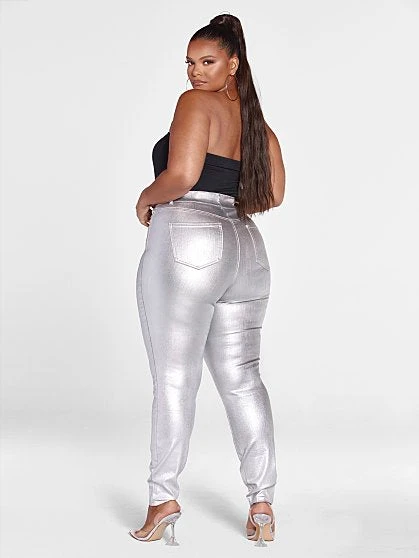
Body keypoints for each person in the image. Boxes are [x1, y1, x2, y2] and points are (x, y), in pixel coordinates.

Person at [129, 13, 285, 546]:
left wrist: (144, 200)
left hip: (189, 240)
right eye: (191, 63)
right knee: (243, 378)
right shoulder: (258, 125)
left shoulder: (195, 104)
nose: (195, 72)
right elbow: (273, 194)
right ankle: (261, 504)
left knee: (175, 377)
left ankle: (162, 499)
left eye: (208, 61)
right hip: (247, 248)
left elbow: (181, 175)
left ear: (233, 64)